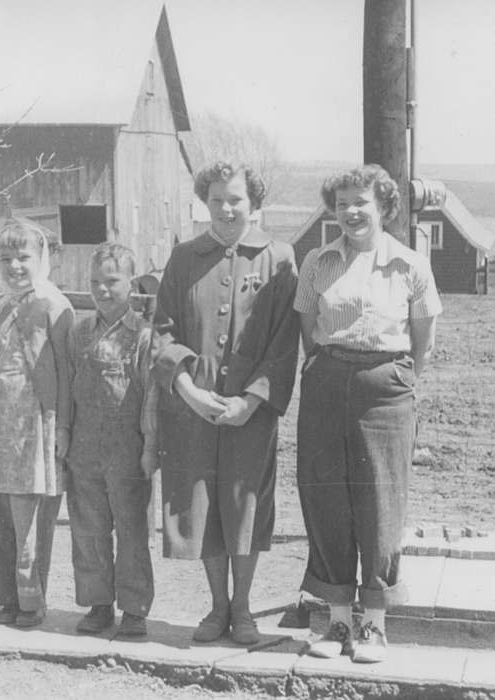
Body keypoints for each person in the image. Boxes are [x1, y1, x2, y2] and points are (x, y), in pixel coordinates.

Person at [296, 164, 441, 664]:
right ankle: (337, 620)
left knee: (380, 501)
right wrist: (328, 369)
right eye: (341, 203)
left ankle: (374, 625)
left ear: (383, 207)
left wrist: (391, 378)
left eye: (361, 202)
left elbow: (422, 343)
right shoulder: (317, 262)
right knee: (327, 496)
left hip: (386, 391)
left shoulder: (409, 266)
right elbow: (308, 326)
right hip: (327, 384)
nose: (351, 212)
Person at [151, 161, 298, 645]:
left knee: (244, 504)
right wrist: (188, 392)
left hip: (250, 413)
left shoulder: (278, 257)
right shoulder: (184, 256)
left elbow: (283, 341)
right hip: (194, 407)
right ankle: (216, 607)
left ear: (253, 203)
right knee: (203, 505)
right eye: (216, 200)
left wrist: (252, 403)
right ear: (205, 203)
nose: (226, 208)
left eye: (235, 199)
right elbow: (163, 332)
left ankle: (243, 609)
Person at [0, 218, 74, 628]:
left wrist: (62, 427)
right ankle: (3, 596)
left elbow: (64, 371)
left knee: (28, 515)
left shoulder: (54, 306)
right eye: (5, 258)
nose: (14, 267)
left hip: (33, 422)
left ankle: (31, 600)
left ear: (40, 258)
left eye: (23, 257)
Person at [66, 242, 157, 637]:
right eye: (95, 283)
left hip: (126, 449)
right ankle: (98, 603)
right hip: (84, 446)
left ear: (131, 284)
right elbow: (68, 389)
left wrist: (149, 448)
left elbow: (151, 397)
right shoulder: (80, 331)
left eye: (112, 282)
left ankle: (134, 608)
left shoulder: (143, 336)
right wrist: (66, 436)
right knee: (88, 528)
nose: (103, 290)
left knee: (132, 529)